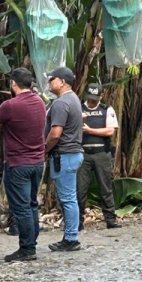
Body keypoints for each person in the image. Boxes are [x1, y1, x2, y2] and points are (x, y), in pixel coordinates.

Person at [0, 68, 48, 263]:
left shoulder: (9, 105)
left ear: (13, 84)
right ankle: (32, 242)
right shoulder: (40, 102)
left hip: (18, 163)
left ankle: (27, 248)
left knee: (22, 207)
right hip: (38, 162)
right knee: (32, 204)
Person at [44, 66, 85, 252]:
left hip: (65, 154)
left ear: (62, 81)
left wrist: (44, 149)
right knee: (70, 198)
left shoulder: (61, 103)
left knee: (68, 198)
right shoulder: (74, 99)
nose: (49, 82)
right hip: (73, 153)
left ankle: (71, 238)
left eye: (52, 79)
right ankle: (70, 235)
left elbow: (55, 133)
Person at [78, 82, 122, 230]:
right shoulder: (79, 108)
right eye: (90, 98)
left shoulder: (106, 109)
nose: (92, 101)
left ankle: (110, 220)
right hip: (82, 153)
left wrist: (90, 130)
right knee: (80, 189)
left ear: (101, 96)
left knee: (106, 188)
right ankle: (77, 222)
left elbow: (110, 131)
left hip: (101, 153)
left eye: (95, 98)